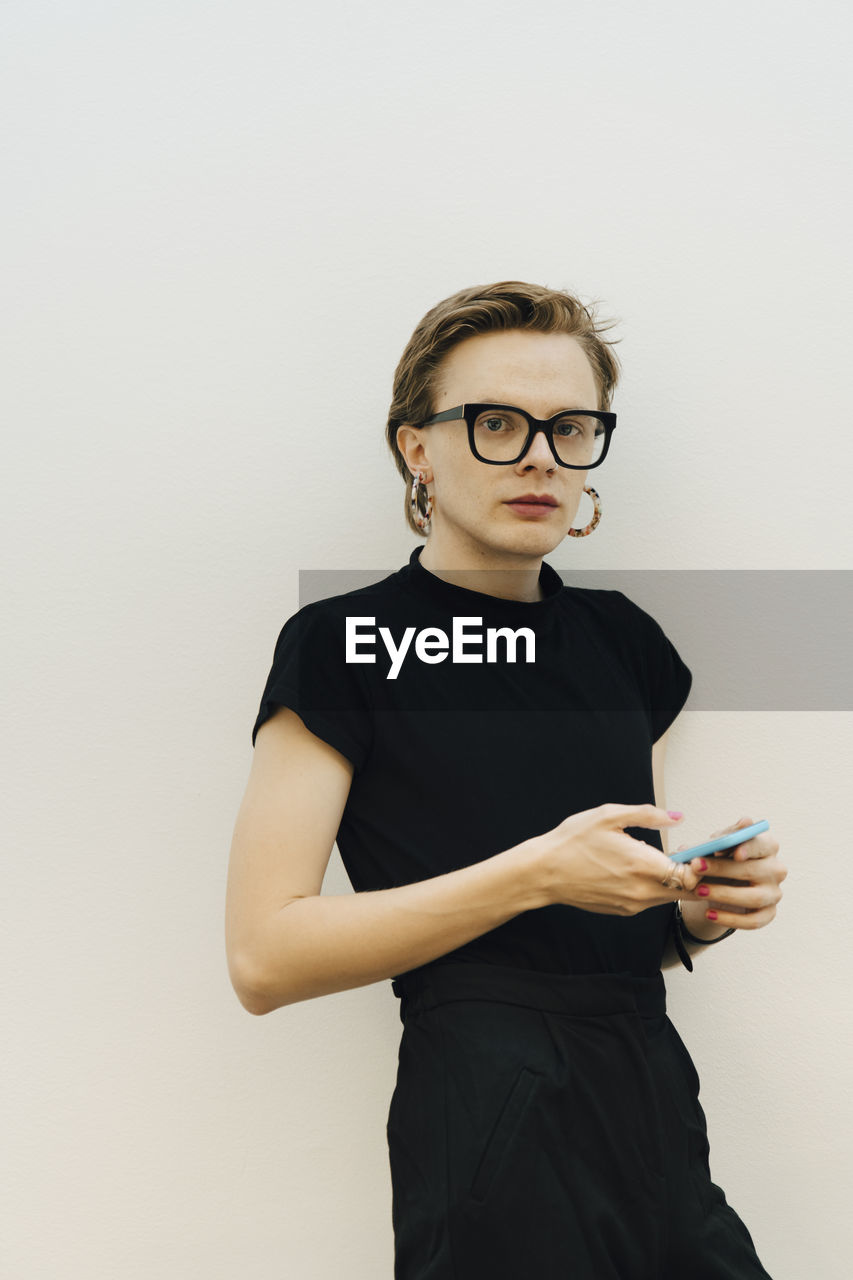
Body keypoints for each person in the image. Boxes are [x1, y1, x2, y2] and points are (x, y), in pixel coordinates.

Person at [225, 281, 787, 1279]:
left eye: (569, 427)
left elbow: (610, 929)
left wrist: (695, 912)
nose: (539, 456)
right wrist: (535, 872)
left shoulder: (625, 643)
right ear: (416, 448)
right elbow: (264, 957)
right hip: (488, 1108)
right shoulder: (343, 644)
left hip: (654, 1096)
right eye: (495, 423)